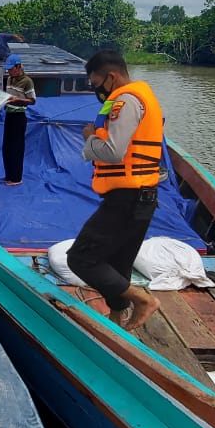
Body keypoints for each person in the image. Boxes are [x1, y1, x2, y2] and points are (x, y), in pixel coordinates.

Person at [66, 50, 162, 330]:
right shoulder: (141, 96)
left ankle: (143, 301)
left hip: (128, 199)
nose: (96, 90)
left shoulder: (126, 100)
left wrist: (89, 139)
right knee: (118, 262)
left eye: (97, 83)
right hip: (141, 196)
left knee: (81, 258)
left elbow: (113, 151)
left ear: (112, 76)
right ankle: (117, 319)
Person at [1, 53, 35, 185]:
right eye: (8, 69)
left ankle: (16, 178)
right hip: (9, 114)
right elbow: (7, 95)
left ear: (18, 67)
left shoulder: (27, 81)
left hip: (19, 116)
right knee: (7, 147)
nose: (8, 71)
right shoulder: (9, 79)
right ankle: (8, 175)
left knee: (17, 148)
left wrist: (18, 99)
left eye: (10, 69)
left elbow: (32, 100)